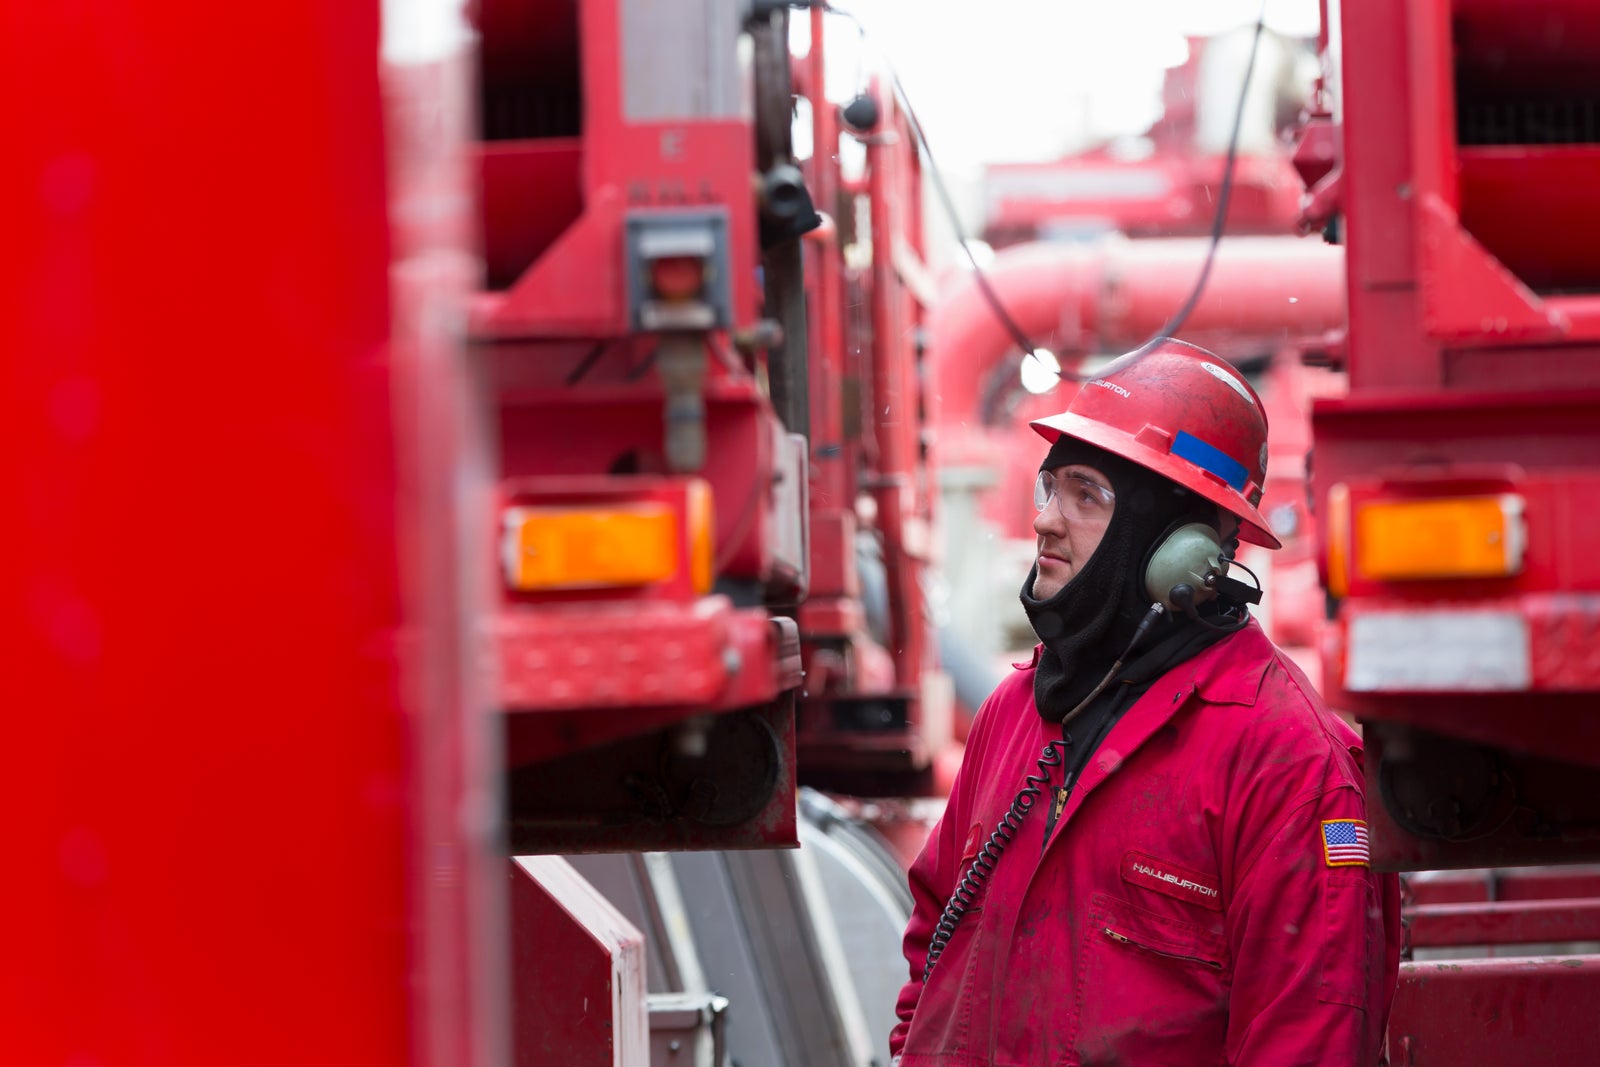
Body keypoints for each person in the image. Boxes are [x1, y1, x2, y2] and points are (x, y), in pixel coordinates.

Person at [890, 339, 1402, 1066]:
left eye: (1087, 495)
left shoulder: (1287, 765)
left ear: (1181, 550)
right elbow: (933, 939)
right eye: (1052, 486)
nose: (1045, 520)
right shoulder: (1015, 712)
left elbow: (1309, 1038)